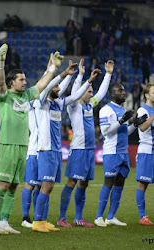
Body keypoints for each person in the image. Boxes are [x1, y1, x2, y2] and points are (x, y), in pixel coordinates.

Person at [0, 43, 64, 234]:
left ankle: (5, 222)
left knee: (14, 186)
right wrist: (1, 62)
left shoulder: (27, 96)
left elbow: (41, 84)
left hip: (23, 145)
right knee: (3, 185)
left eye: (24, 79)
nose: (25, 82)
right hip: (7, 145)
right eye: (21, 79)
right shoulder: (4, 95)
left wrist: (53, 68)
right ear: (12, 82)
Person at [34, 60, 102, 232]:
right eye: (57, 87)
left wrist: (87, 80)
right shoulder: (42, 102)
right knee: (46, 186)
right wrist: (63, 74)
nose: (60, 89)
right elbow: (52, 86)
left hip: (56, 150)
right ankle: (37, 221)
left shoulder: (58, 103)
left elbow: (73, 94)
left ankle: (43, 220)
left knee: (49, 187)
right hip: (46, 148)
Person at [21, 59, 78, 229]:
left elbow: (57, 89)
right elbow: (48, 85)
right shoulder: (38, 101)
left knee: (41, 186)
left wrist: (69, 75)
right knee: (32, 184)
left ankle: (40, 219)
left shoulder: (53, 102)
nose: (58, 89)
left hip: (50, 149)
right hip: (36, 148)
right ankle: (27, 217)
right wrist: (54, 71)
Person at [57, 60, 115, 228]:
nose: (91, 94)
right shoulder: (74, 106)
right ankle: (62, 218)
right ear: (82, 92)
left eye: (91, 92)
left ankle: (78, 218)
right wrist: (82, 76)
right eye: (89, 91)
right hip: (79, 150)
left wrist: (108, 73)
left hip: (90, 150)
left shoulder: (90, 105)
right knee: (71, 183)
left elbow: (102, 92)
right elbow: (75, 92)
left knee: (84, 183)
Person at [94, 83, 147, 227]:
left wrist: (134, 125)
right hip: (112, 152)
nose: (124, 93)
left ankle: (111, 217)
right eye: (120, 91)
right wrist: (122, 120)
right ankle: (99, 217)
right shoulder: (106, 110)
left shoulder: (122, 109)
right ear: (112, 94)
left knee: (120, 184)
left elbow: (123, 131)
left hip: (123, 152)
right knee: (108, 183)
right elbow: (105, 131)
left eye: (124, 90)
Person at [135, 83, 154, 226]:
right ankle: (142, 216)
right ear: (147, 95)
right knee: (143, 184)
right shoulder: (143, 110)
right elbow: (142, 127)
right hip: (147, 150)